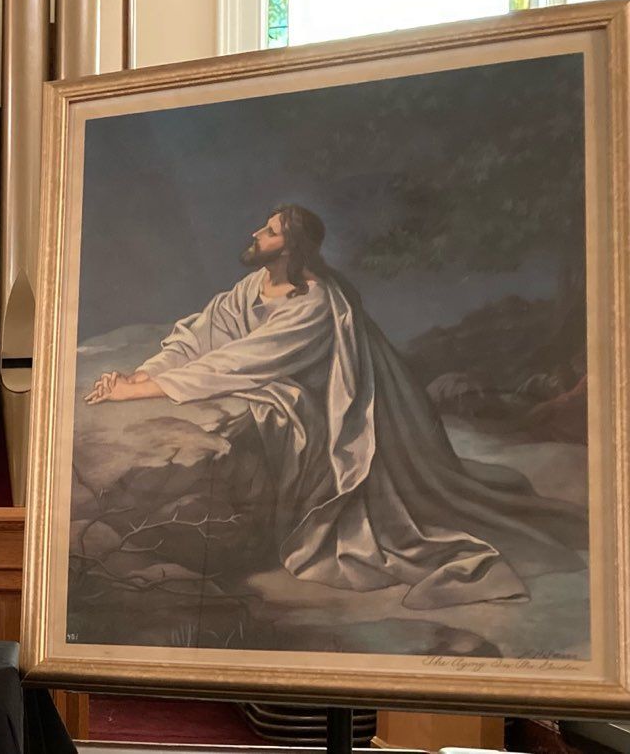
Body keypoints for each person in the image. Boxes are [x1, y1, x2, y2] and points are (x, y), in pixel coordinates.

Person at [87, 204, 584, 609]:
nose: (257, 233)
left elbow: (243, 361)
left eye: (270, 230)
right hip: (280, 395)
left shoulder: (316, 302)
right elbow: (198, 336)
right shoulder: (247, 290)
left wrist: (140, 392)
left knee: (366, 518)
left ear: (293, 244)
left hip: (329, 416)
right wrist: (141, 374)